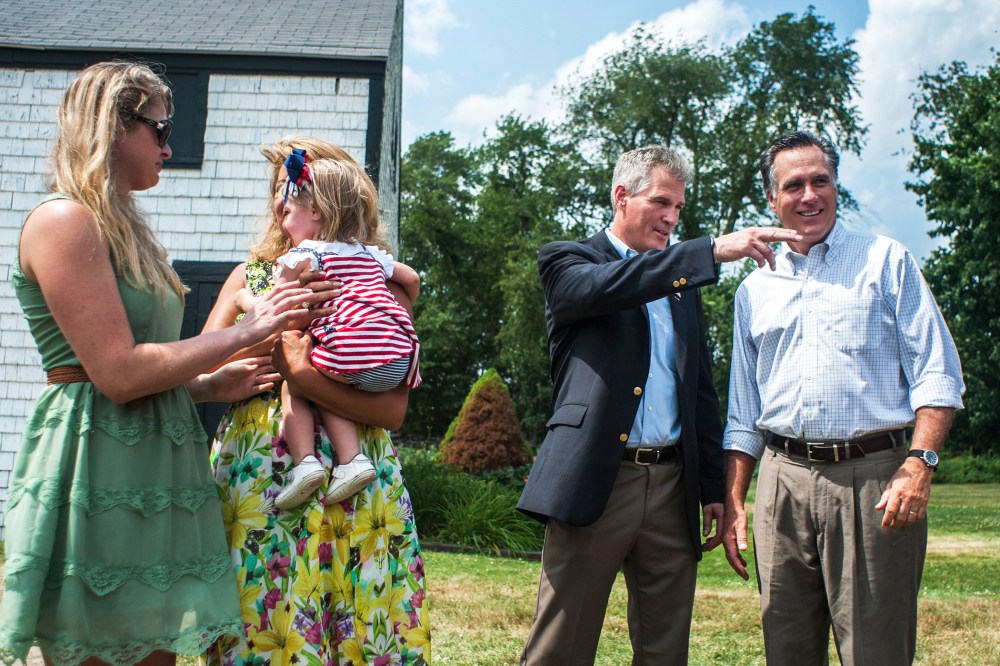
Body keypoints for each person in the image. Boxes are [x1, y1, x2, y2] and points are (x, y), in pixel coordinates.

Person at [0, 62, 323, 666]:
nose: (170, 146)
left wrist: (203, 385)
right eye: (160, 127)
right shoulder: (65, 220)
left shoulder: (124, 227)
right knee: (102, 646)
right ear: (112, 127)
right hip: (97, 462)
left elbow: (143, 364)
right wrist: (250, 330)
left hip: (154, 455)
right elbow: (117, 372)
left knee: (153, 647)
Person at [517, 144, 803, 665]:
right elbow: (606, 288)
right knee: (561, 644)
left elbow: (699, 391)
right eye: (661, 203)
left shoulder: (681, 286)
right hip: (598, 480)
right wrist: (708, 251)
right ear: (622, 197)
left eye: (679, 209)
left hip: (673, 487)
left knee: (666, 648)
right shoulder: (568, 260)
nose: (672, 218)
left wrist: (714, 485)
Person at [721, 131, 965, 665]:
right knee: (786, 648)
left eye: (820, 180)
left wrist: (920, 464)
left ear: (836, 186)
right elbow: (742, 412)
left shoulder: (886, 261)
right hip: (781, 481)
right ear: (772, 198)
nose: (809, 195)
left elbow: (939, 373)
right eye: (794, 185)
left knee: (875, 649)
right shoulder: (753, 288)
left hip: (874, 478)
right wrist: (736, 500)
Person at [202, 136, 430, 665]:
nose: (284, 200)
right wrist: (277, 325)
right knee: (268, 625)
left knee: (363, 624)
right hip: (264, 477)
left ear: (330, 201)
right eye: (279, 189)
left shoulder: (372, 281)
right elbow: (205, 366)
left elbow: (393, 409)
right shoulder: (249, 275)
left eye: (296, 189)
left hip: (359, 481)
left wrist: (300, 373)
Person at [234, 152, 422, 510]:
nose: (283, 205)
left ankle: (306, 463)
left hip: (351, 363)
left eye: (290, 196)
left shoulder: (305, 254)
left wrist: (245, 300)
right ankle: (351, 459)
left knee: (299, 374)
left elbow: (270, 306)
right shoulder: (370, 256)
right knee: (328, 369)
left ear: (316, 210)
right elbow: (411, 278)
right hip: (396, 360)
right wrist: (390, 300)